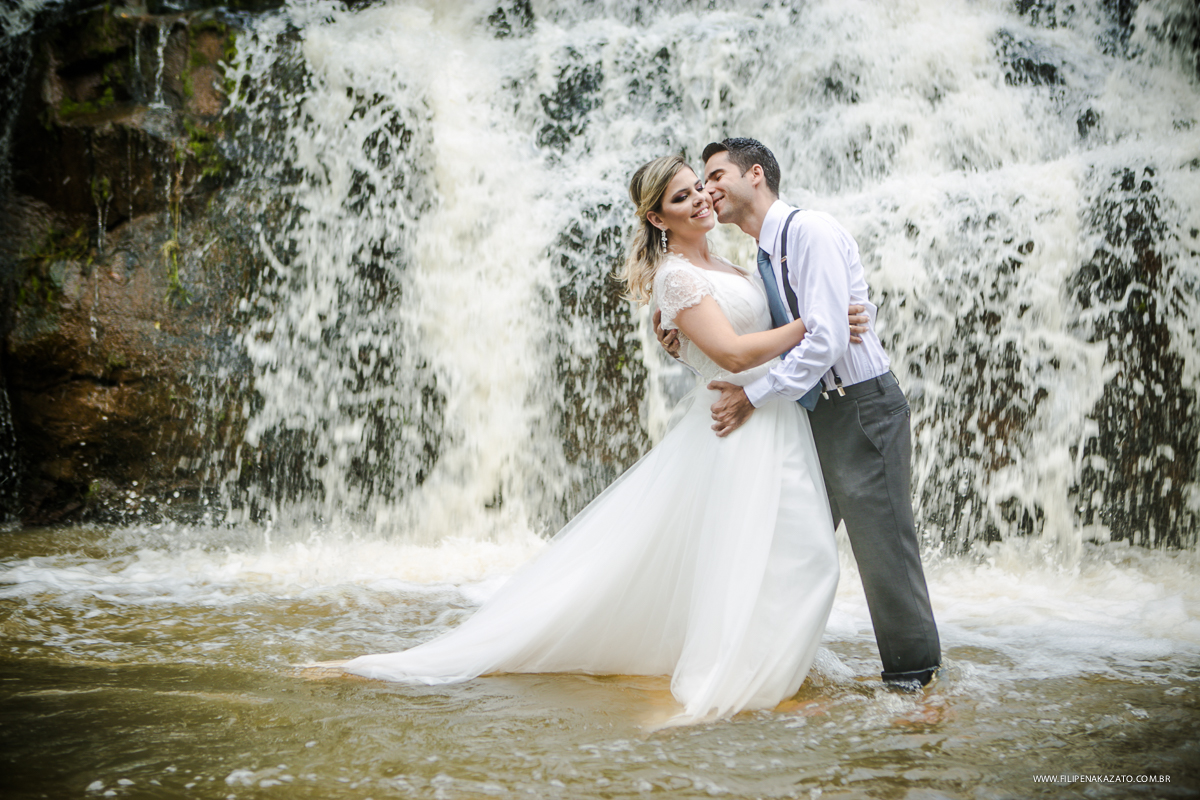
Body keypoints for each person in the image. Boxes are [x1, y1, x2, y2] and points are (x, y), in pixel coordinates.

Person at [333, 155, 853, 725]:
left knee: (775, 549)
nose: (701, 199)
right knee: (780, 550)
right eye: (681, 198)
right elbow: (729, 352)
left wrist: (810, 319)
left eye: (700, 187)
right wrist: (816, 323)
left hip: (768, 413)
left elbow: (730, 338)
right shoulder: (678, 274)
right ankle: (741, 671)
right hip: (740, 419)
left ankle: (767, 658)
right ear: (658, 219)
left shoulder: (730, 262)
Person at [660, 137, 941, 689]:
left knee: (885, 550)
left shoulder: (807, 231)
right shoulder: (762, 254)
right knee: (791, 544)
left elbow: (828, 334)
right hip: (811, 415)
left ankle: (914, 680)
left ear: (755, 175)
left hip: (859, 407)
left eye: (715, 177)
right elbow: (796, 324)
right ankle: (770, 662)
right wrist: (681, 332)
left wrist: (756, 393)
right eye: (697, 185)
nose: (707, 191)